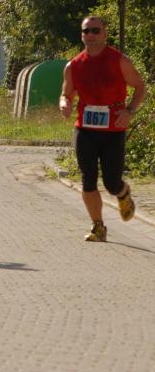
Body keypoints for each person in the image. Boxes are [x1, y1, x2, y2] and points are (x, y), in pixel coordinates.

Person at [60, 15, 146, 242]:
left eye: (95, 31)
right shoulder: (73, 65)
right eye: (86, 31)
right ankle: (98, 226)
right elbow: (66, 93)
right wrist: (64, 103)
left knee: (111, 183)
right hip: (85, 130)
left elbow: (140, 87)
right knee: (88, 179)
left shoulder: (119, 61)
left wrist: (129, 111)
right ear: (81, 35)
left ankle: (123, 192)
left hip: (113, 130)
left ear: (105, 34)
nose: (90, 35)